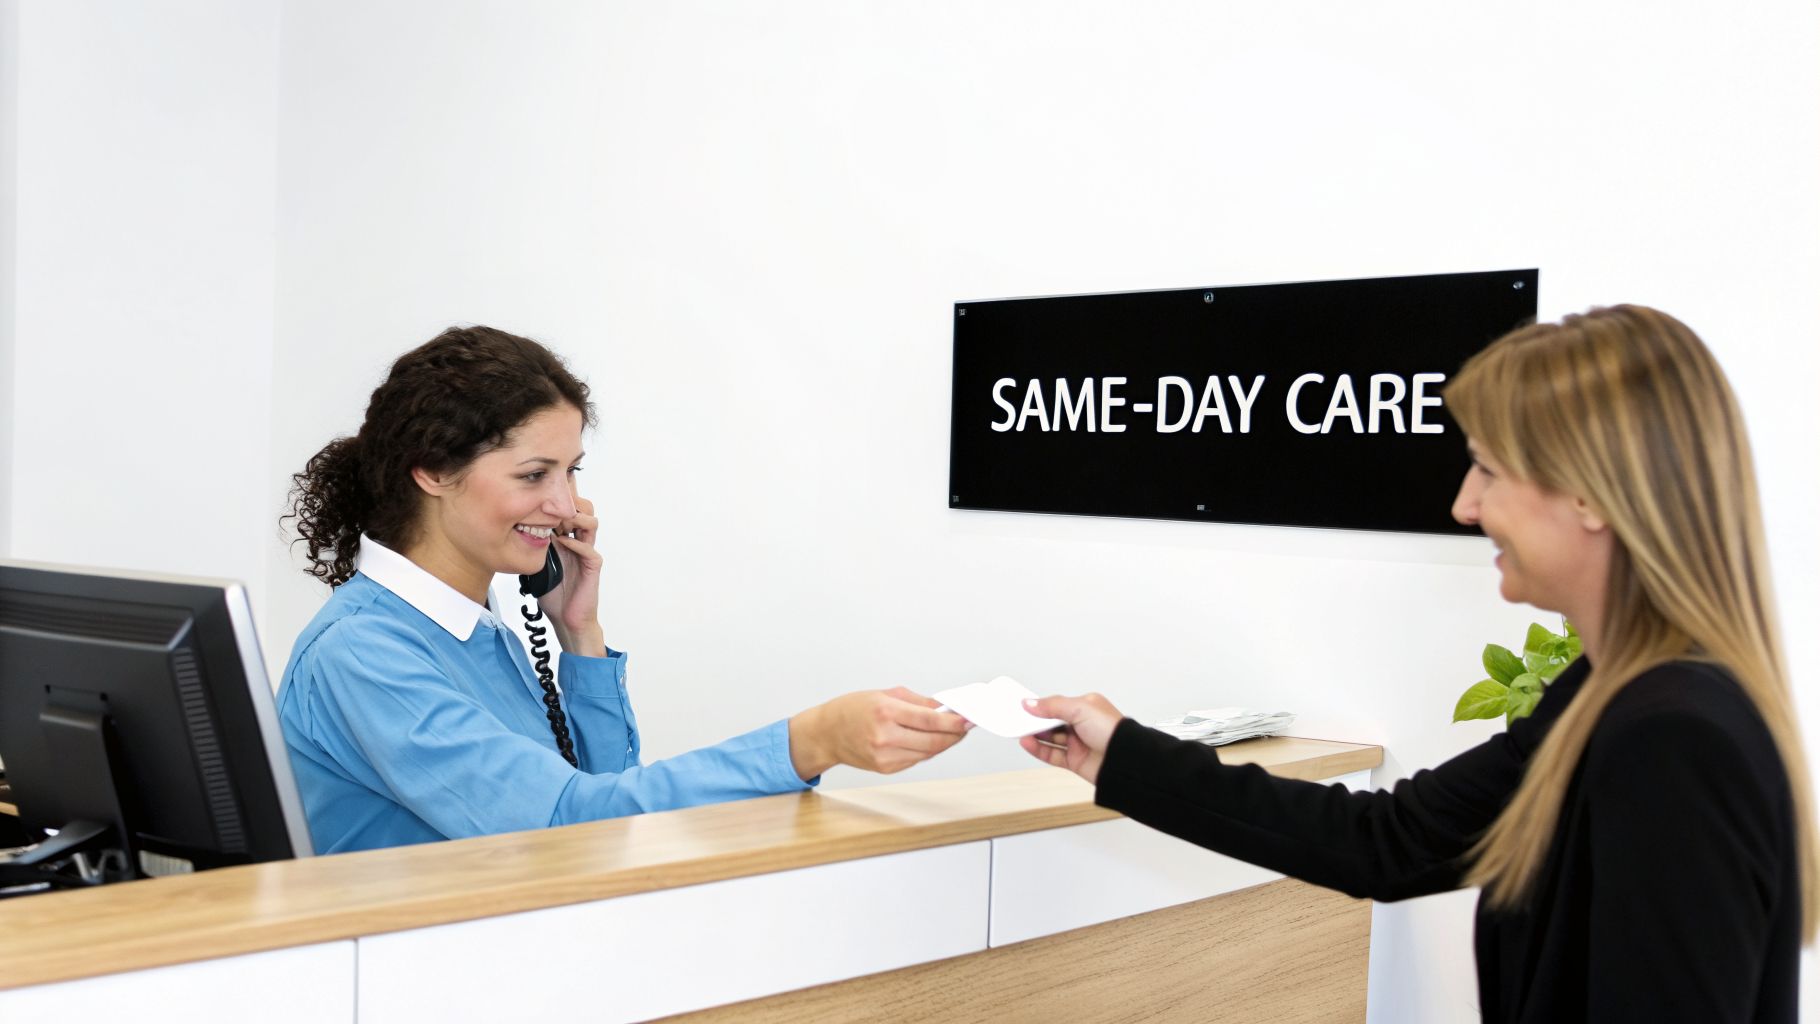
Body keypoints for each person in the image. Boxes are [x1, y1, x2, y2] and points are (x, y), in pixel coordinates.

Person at [1020, 305, 1817, 1022]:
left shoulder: (1671, 738)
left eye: (1489, 470)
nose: (1464, 506)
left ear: (1593, 497)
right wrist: (1123, 753)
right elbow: (1392, 840)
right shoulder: (1610, 696)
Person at [278, 325, 969, 854]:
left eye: (571, 472)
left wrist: (580, 636)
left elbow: (603, 814)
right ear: (430, 470)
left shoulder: (475, 630)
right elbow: (567, 826)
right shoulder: (366, 656)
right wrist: (809, 741)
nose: (565, 505)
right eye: (533, 475)